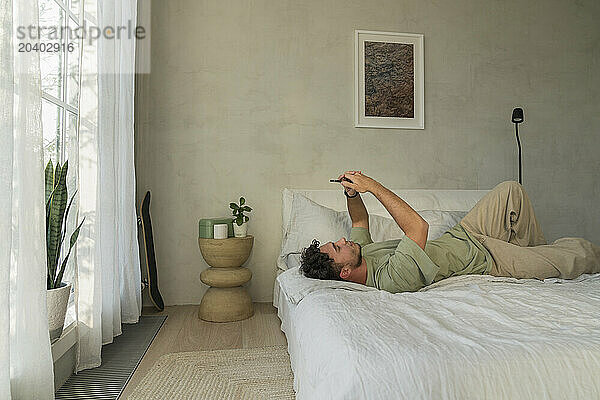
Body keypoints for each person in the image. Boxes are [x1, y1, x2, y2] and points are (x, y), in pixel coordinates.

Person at [299, 171, 600, 293]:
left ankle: (534, 252)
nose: (342, 240)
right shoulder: (391, 280)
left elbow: (361, 222)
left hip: (466, 233)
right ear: (345, 273)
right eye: (338, 248)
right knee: (581, 255)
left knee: (511, 190)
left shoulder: (361, 254)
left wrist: (352, 194)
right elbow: (418, 227)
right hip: (488, 259)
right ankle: (537, 257)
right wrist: (373, 185)